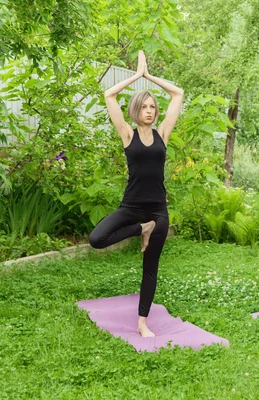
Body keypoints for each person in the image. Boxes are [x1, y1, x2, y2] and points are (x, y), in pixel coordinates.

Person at [88, 51, 183, 338]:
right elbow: (108, 95)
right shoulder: (127, 135)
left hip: (158, 210)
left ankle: (143, 322)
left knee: (150, 267)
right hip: (131, 207)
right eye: (145, 107)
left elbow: (178, 94)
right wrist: (135, 76)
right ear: (136, 111)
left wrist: (149, 76)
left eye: (153, 106)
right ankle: (141, 229)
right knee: (96, 239)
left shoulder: (163, 133)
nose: (151, 111)